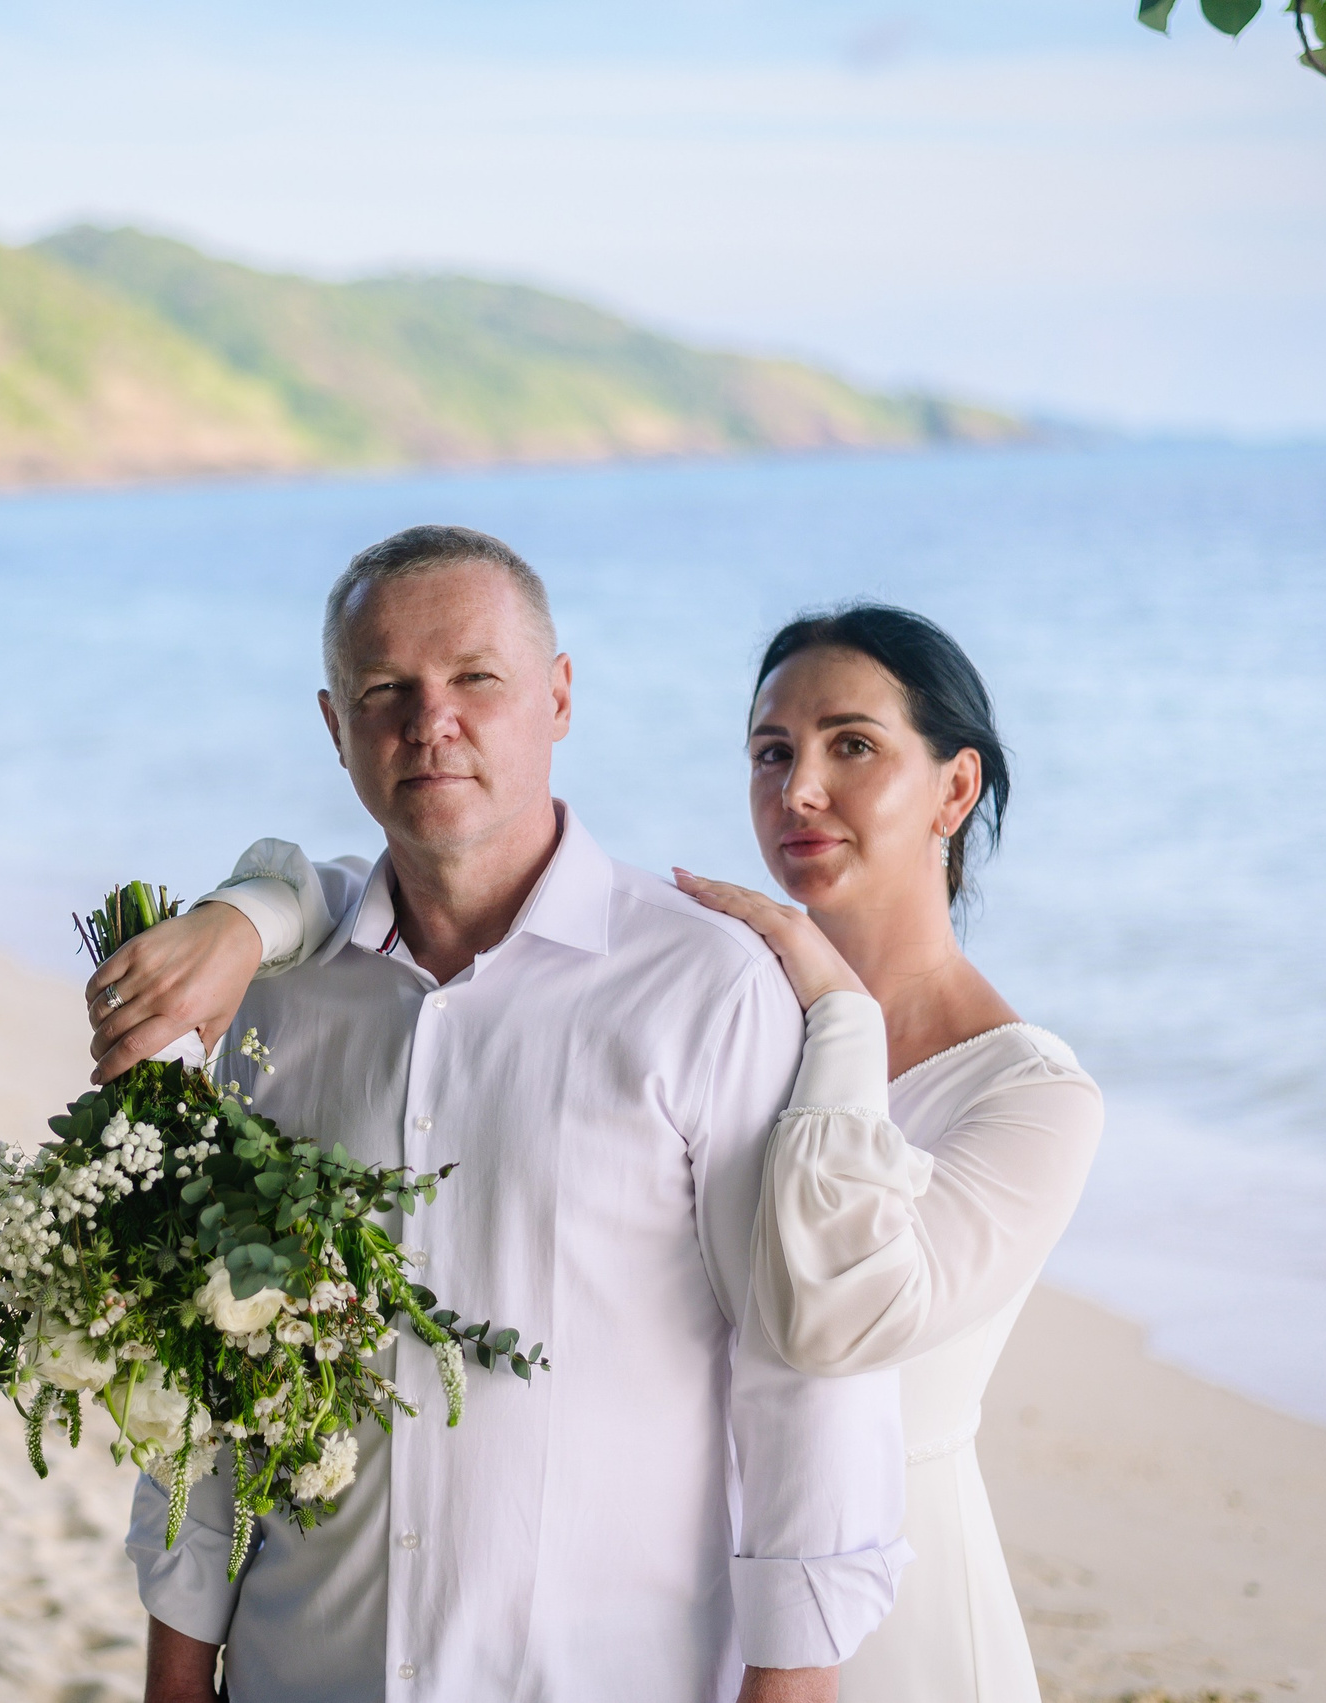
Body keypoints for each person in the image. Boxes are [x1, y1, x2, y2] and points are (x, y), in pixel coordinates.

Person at [94, 602, 1102, 1703]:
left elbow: (825, 1324)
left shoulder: (1026, 1095)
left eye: (850, 745)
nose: (798, 788)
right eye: (772, 751)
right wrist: (248, 911)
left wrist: (840, 1011)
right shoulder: (734, 990)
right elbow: (416, 887)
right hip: (704, 1580)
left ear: (953, 789)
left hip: (887, 1605)